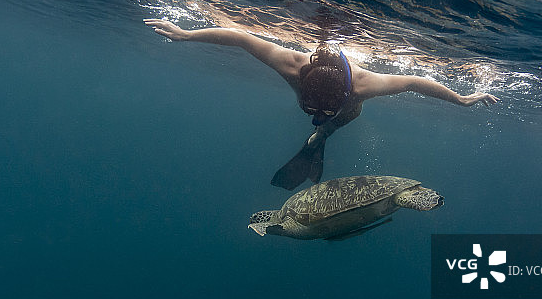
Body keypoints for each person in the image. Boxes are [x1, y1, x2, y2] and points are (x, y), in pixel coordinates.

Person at [144, 19, 498, 190]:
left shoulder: (362, 85)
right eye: (311, 108)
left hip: (349, 108)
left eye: (322, 110)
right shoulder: (291, 65)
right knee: (322, 123)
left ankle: (321, 138)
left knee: (335, 123)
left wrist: (460, 99)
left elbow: (415, 82)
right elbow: (240, 37)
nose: (314, 114)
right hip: (325, 87)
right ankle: (319, 139)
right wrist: (187, 34)